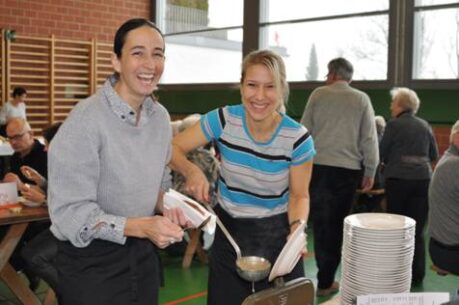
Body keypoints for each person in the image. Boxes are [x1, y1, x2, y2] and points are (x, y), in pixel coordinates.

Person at [47, 18, 189, 305]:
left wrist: (174, 208)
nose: (150, 64)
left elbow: (157, 185)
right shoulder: (86, 120)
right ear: (116, 61)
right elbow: (70, 213)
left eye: (158, 53)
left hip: (143, 257)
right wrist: (139, 226)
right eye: (138, 53)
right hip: (90, 264)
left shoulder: (160, 118)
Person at [170, 49, 315, 305]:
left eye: (270, 87)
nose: (259, 96)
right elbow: (173, 148)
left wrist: (297, 229)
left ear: (281, 89)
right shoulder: (224, 120)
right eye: (252, 85)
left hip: (279, 236)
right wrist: (192, 170)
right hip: (231, 234)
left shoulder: (298, 139)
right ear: (241, 86)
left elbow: (299, 194)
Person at [300, 57, 379, 296]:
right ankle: (326, 281)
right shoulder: (361, 99)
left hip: (318, 167)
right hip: (347, 171)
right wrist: (371, 170)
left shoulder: (318, 95)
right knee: (336, 226)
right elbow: (369, 138)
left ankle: (316, 280)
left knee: (319, 225)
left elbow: (303, 131)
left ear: (332, 74)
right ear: (349, 77)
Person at [380, 87, 439, 286]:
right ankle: (417, 276)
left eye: (392, 102)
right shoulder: (425, 125)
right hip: (422, 181)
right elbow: (433, 155)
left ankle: (397, 274)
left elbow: (383, 152)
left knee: (397, 228)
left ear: (400, 105)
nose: (390, 106)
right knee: (417, 230)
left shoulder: (393, 125)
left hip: (397, 181)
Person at [428, 120, 459, 275]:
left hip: (443, 247)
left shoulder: (448, 158)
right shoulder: (455, 164)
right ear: (457, 138)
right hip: (450, 252)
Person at [3, 118, 47, 188]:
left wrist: (21, 186)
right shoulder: (15, 157)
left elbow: (50, 190)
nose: (13, 142)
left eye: (17, 137)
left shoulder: (45, 154)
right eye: (10, 138)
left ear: (31, 134)